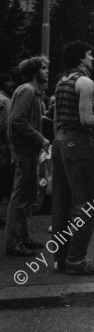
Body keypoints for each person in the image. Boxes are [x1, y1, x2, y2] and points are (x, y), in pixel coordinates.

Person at [52, 41, 94, 275]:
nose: (93, 59)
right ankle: (76, 259)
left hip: (60, 142)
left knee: (62, 203)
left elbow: (56, 120)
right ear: (81, 58)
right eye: (90, 55)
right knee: (88, 203)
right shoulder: (85, 82)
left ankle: (61, 259)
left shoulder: (62, 82)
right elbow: (86, 119)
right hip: (78, 144)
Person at [5, 57, 50, 256]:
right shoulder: (28, 90)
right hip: (25, 152)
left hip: (29, 152)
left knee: (28, 196)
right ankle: (14, 243)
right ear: (34, 72)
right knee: (20, 198)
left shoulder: (34, 93)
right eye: (44, 68)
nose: (47, 71)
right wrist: (40, 138)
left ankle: (23, 238)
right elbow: (17, 120)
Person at [0, 73, 15, 226]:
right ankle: (15, 219)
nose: (11, 83)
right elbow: (6, 128)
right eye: (8, 80)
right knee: (8, 184)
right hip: (3, 150)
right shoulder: (6, 101)